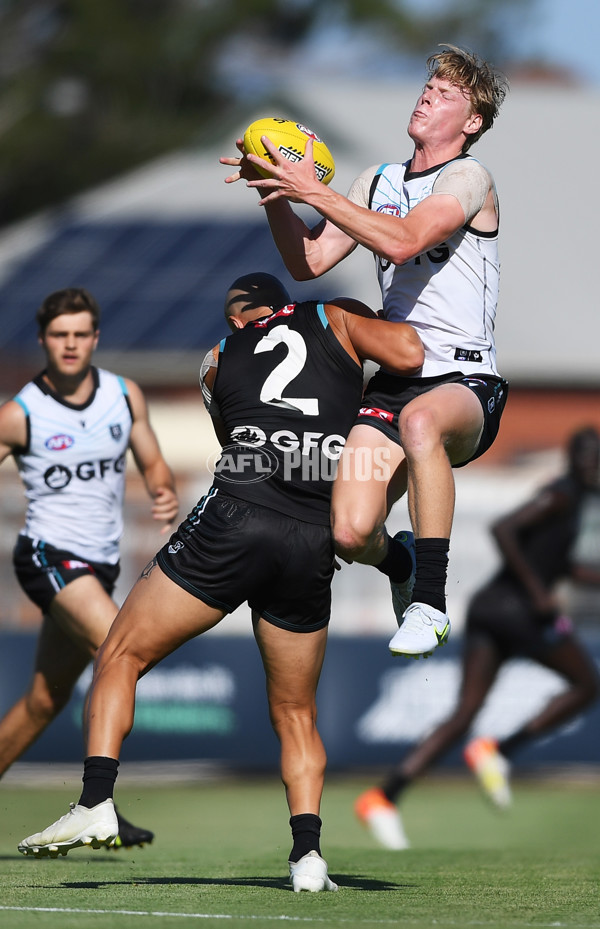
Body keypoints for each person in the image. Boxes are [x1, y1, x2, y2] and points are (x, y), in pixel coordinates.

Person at [17, 273, 424, 891]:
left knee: (120, 655)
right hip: (312, 535)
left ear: (236, 319)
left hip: (236, 519)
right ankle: (308, 859)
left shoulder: (214, 360)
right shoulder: (332, 319)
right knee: (295, 711)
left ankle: (96, 800)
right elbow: (408, 353)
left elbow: (235, 440)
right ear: (284, 304)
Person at [221, 45, 510, 661]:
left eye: (446, 91)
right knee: (351, 532)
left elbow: (404, 242)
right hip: (396, 381)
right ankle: (399, 558)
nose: (428, 93)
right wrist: (277, 192)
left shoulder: (468, 177)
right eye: (428, 83)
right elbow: (309, 263)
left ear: (472, 122)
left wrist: (310, 190)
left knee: (422, 420)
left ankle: (431, 601)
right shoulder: (372, 182)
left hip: (463, 380)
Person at [354, 426, 600, 849]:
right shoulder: (562, 494)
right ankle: (499, 751)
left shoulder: (576, 500)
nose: (593, 467)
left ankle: (382, 797)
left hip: (494, 609)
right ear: (575, 460)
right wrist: (539, 592)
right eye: (589, 458)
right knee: (588, 684)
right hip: (516, 611)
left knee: (464, 713)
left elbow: (557, 563)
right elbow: (504, 529)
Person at [0, 287, 179, 848]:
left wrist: (163, 492)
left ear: (96, 338)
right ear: (44, 340)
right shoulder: (19, 413)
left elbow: (152, 461)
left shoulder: (123, 396)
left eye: (80, 334)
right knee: (118, 650)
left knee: (44, 702)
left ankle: (98, 802)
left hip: (97, 566)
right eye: (60, 335)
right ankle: (95, 801)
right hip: (48, 556)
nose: (71, 344)